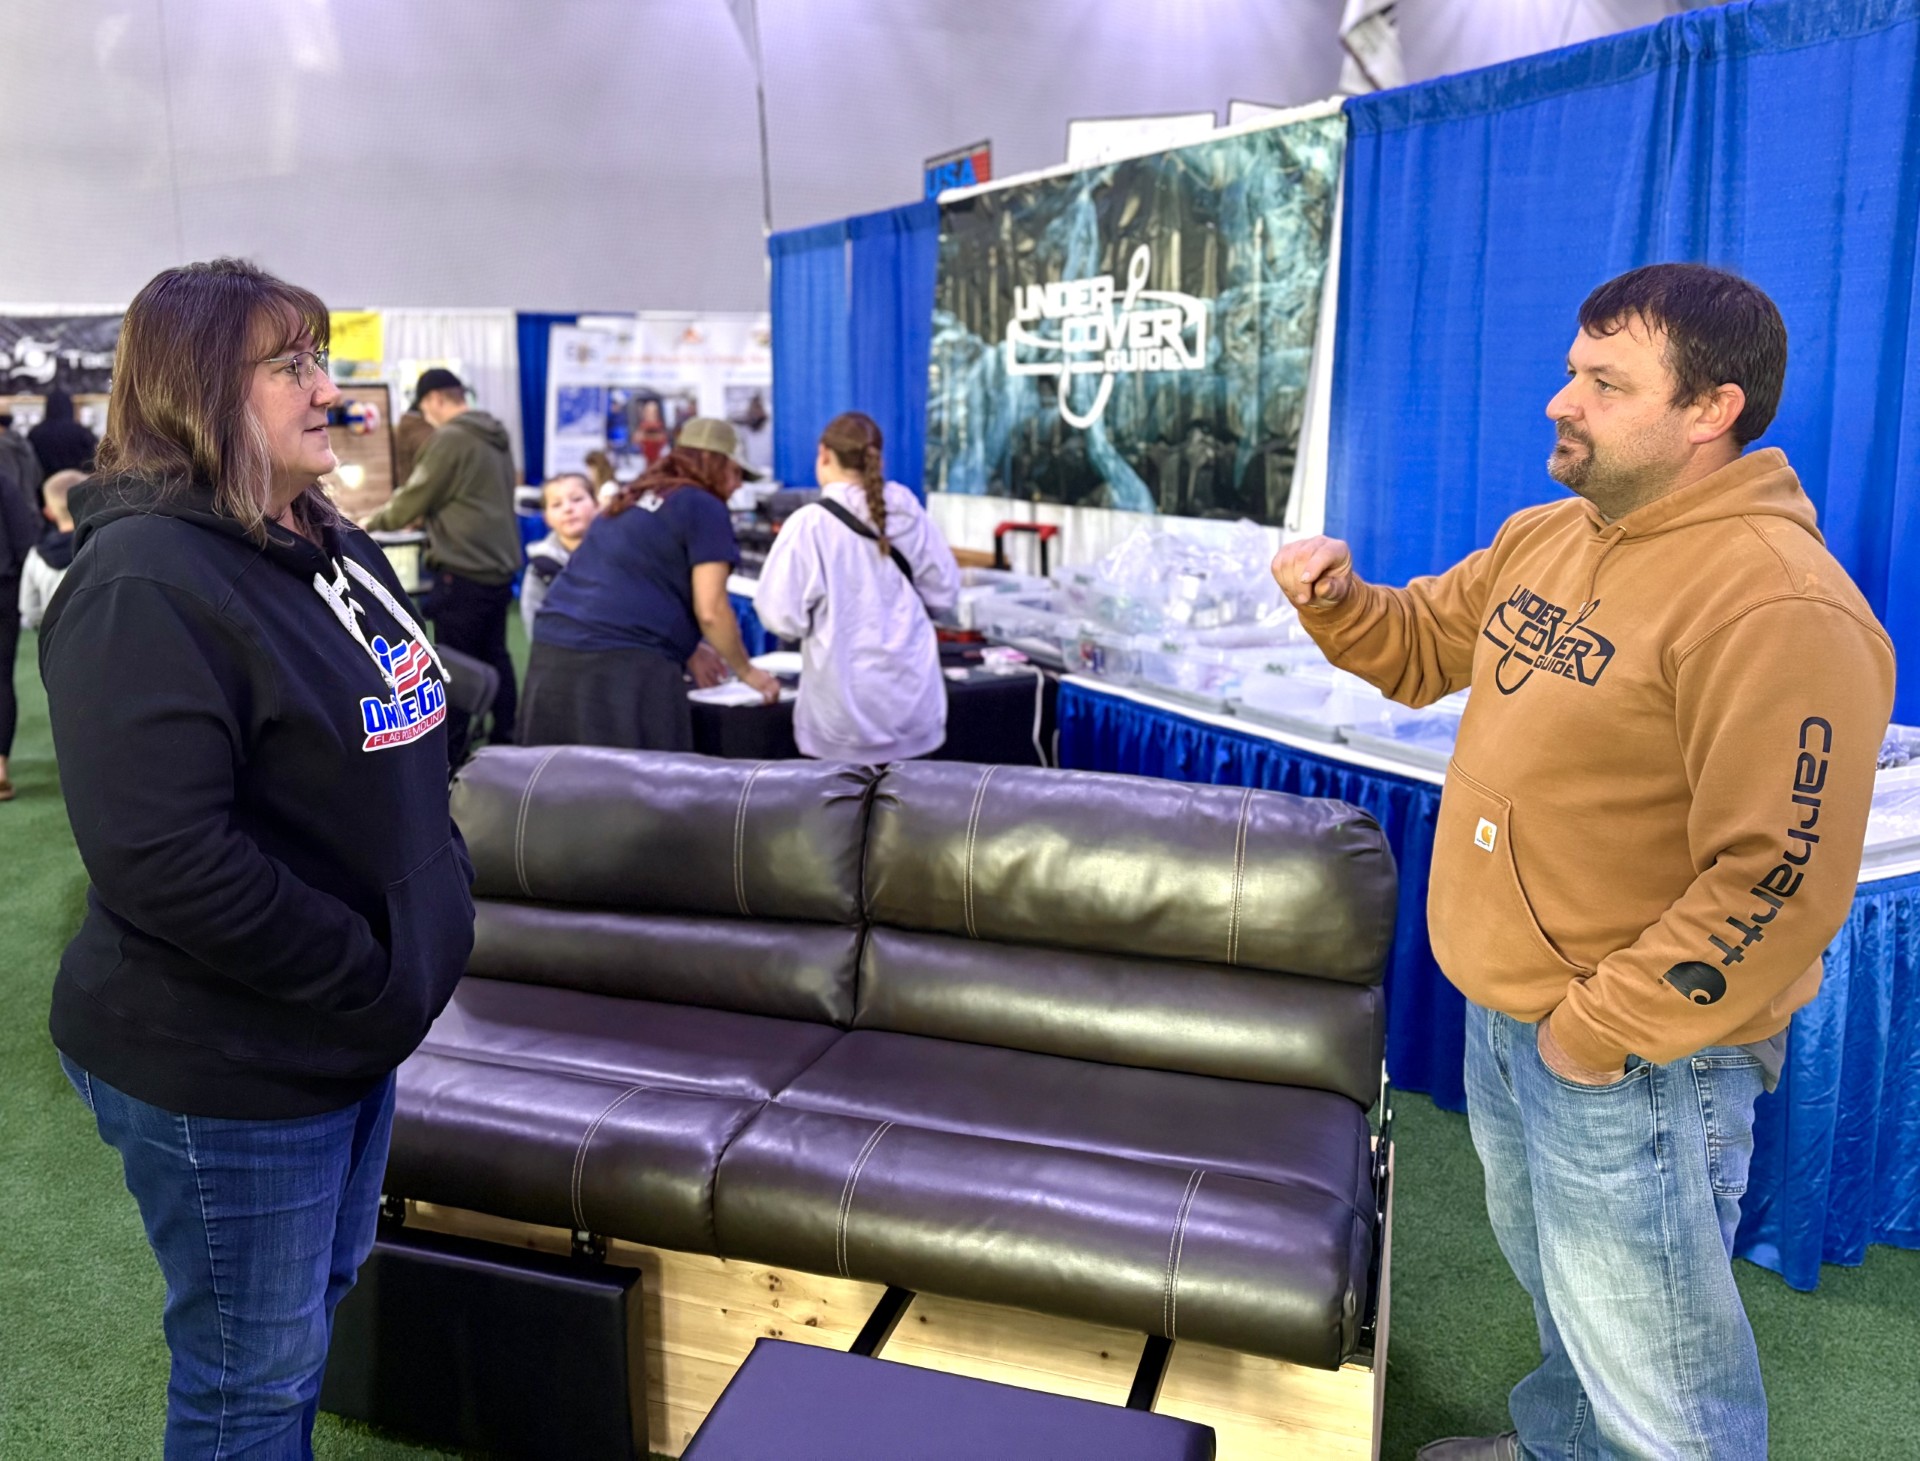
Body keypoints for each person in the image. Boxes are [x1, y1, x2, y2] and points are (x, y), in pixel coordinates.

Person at [1272, 263, 1894, 1461]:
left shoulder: (1780, 605)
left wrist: (1597, 1032)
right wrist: (1342, 602)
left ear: (1711, 409)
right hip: (1516, 1016)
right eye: (1573, 372)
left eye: (1607, 384)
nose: (1563, 401)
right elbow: (1421, 645)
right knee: (1568, 1297)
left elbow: (1778, 879)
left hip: (1639, 1053)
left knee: (1661, 1375)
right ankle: (1563, 1448)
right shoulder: (1550, 534)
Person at [40, 258, 474, 1457]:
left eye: (320, 359)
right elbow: (166, 858)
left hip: (343, 1036)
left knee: (306, 1322)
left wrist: (419, 918)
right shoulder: (144, 581)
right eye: (289, 365)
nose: (327, 389)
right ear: (194, 392)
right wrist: (368, 969)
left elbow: (413, 716)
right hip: (230, 1055)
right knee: (252, 1379)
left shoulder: (320, 540)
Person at [520, 416, 778, 750]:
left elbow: (628, 578)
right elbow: (711, 610)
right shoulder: (705, 506)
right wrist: (747, 672)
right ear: (714, 463)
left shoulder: (631, 496)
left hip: (553, 652)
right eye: (737, 473)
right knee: (637, 778)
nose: (738, 486)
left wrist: (686, 648)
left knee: (560, 776)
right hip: (620, 666)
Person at [753, 412, 961, 761]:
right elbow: (944, 593)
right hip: (913, 711)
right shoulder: (908, 510)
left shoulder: (810, 525)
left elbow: (781, 616)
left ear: (824, 454)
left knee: (842, 798)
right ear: (878, 457)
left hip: (841, 718)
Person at [360, 367, 523, 743]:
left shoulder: (451, 438)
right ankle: (506, 734)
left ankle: (454, 748)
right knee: (495, 653)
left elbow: (416, 495)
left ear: (434, 400)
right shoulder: (493, 433)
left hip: (463, 568)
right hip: (496, 568)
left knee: (456, 666)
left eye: (424, 409)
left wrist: (369, 523)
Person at [0, 442, 43, 800]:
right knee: (1, 678)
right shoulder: (3, 482)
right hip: (2, 589)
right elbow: (23, 538)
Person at [519, 471, 597, 635]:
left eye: (577, 499)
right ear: (546, 518)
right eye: (556, 504)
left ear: (596, 505)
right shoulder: (541, 567)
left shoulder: (618, 552)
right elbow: (533, 618)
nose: (568, 508)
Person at [18, 468, 83, 630]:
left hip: (56, 634)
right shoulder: (102, 544)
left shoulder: (37, 555)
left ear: (48, 512)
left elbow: (29, 608)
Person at [28, 386, 98, 480]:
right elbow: (94, 457)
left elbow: (29, 461)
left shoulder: (35, 433)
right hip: (76, 482)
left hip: (45, 483)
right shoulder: (81, 432)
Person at [0, 410, 46, 509]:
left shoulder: (3, 448)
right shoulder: (23, 442)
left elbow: (8, 483)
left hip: (11, 509)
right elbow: (37, 475)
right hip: (31, 504)